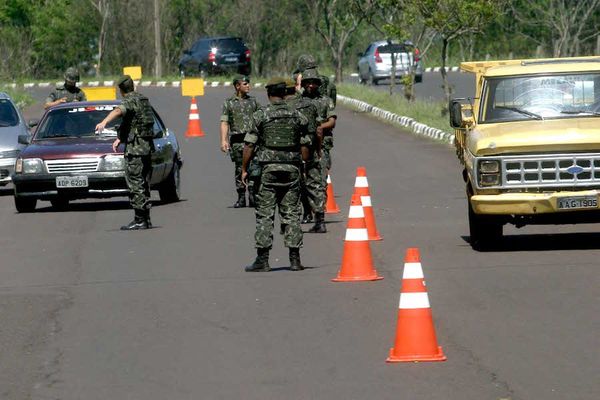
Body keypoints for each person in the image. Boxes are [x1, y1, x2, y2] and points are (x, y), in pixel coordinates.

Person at [241, 77, 311, 272]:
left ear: (269, 93)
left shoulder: (261, 115)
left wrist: (244, 169)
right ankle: (295, 259)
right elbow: (305, 144)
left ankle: (262, 259)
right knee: (291, 213)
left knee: (265, 214)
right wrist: (302, 164)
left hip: (268, 171)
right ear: (285, 93)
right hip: (292, 170)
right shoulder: (297, 116)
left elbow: (249, 145)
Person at [95, 75, 155, 230]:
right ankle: (146, 218)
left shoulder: (129, 100)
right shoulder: (143, 100)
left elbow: (119, 111)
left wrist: (104, 122)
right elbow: (134, 122)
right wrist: (120, 138)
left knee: (135, 183)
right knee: (144, 182)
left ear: (121, 90)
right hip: (147, 147)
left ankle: (139, 219)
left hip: (135, 149)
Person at [287, 70, 327, 233]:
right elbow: (318, 131)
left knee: (291, 186)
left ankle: (290, 223)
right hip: (309, 149)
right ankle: (320, 220)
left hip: (291, 151)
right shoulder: (311, 106)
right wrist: (318, 149)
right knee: (314, 184)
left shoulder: (289, 106)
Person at [220, 75, 261, 208]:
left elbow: (261, 119)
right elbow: (225, 122)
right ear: (237, 86)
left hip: (253, 140)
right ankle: (241, 197)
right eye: (245, 83)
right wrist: (223, 140)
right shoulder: (229, 103)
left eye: (248, 83)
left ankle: (253, 195)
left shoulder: (254, 102)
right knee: (239, 169)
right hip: (238, 141)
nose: (248, 85)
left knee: (254, 168)